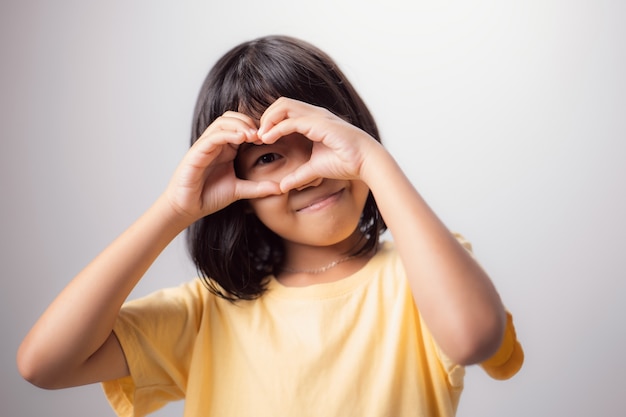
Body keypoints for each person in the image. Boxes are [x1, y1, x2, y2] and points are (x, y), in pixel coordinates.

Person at [17, 35, 523, 417]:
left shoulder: (422, 274)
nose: (309, 171)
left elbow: (473, 337)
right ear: (231, 183)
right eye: (269, 157)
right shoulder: (206, 312)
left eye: (321, 137)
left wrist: (373, 160)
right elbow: (43, 364)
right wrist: (174, 209)